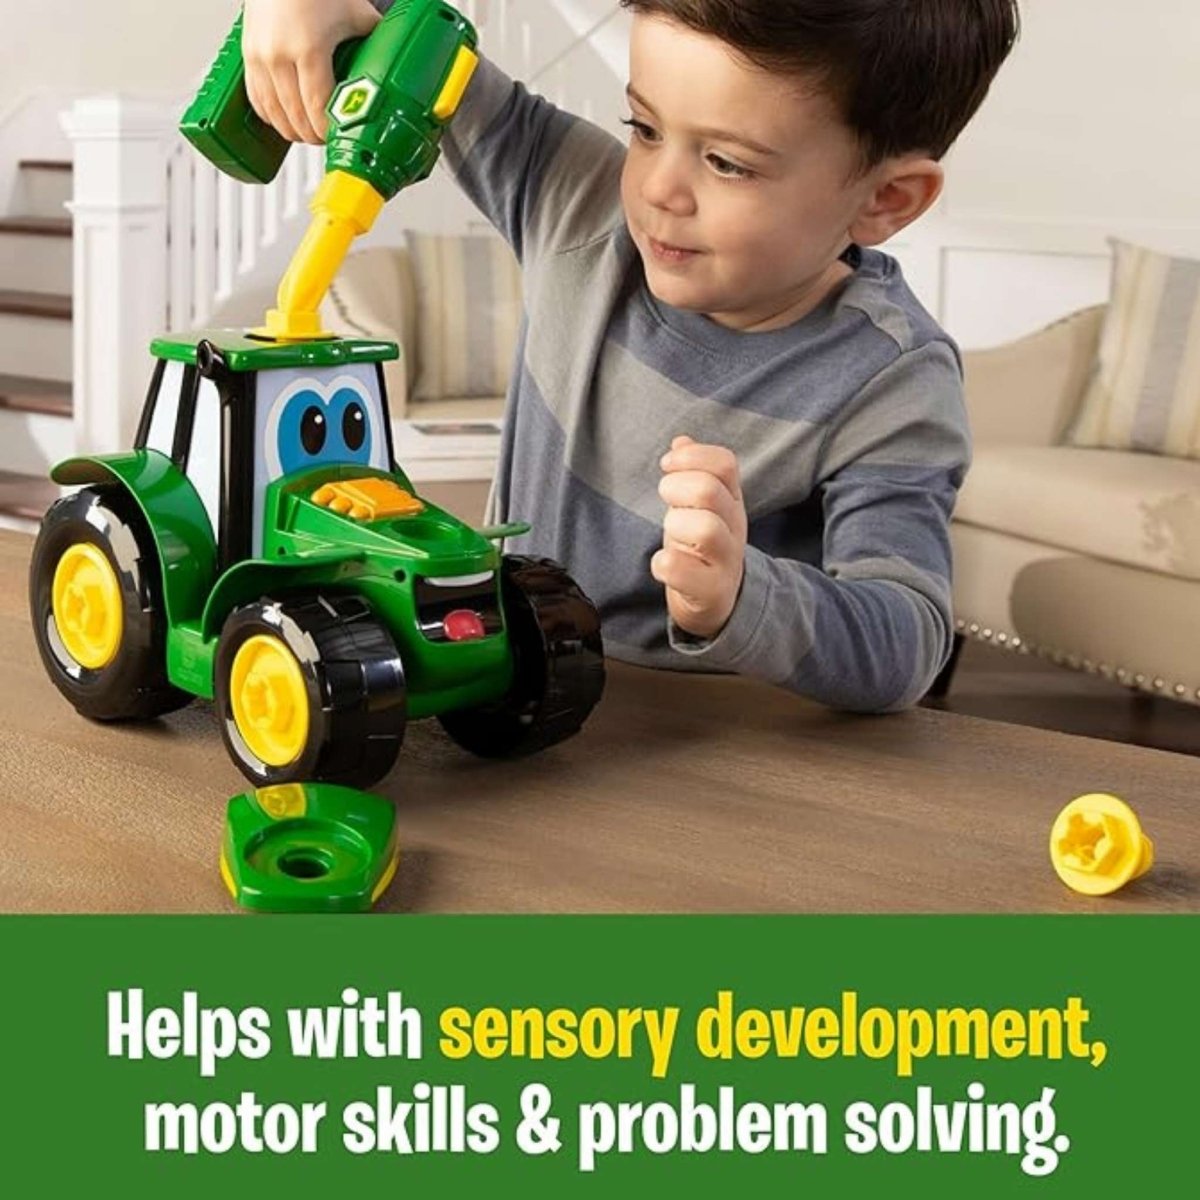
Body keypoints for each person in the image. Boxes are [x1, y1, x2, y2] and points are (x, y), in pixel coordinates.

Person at [242, 0, 1020, 712]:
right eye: (644, 129)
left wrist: (741, 594)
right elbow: (407, 33)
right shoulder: (576, 199)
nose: (659, 190)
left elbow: (907, 641)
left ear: (886, 200)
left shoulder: (891, 381)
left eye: (726, 163)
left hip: (702, 759)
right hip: (506, 710)